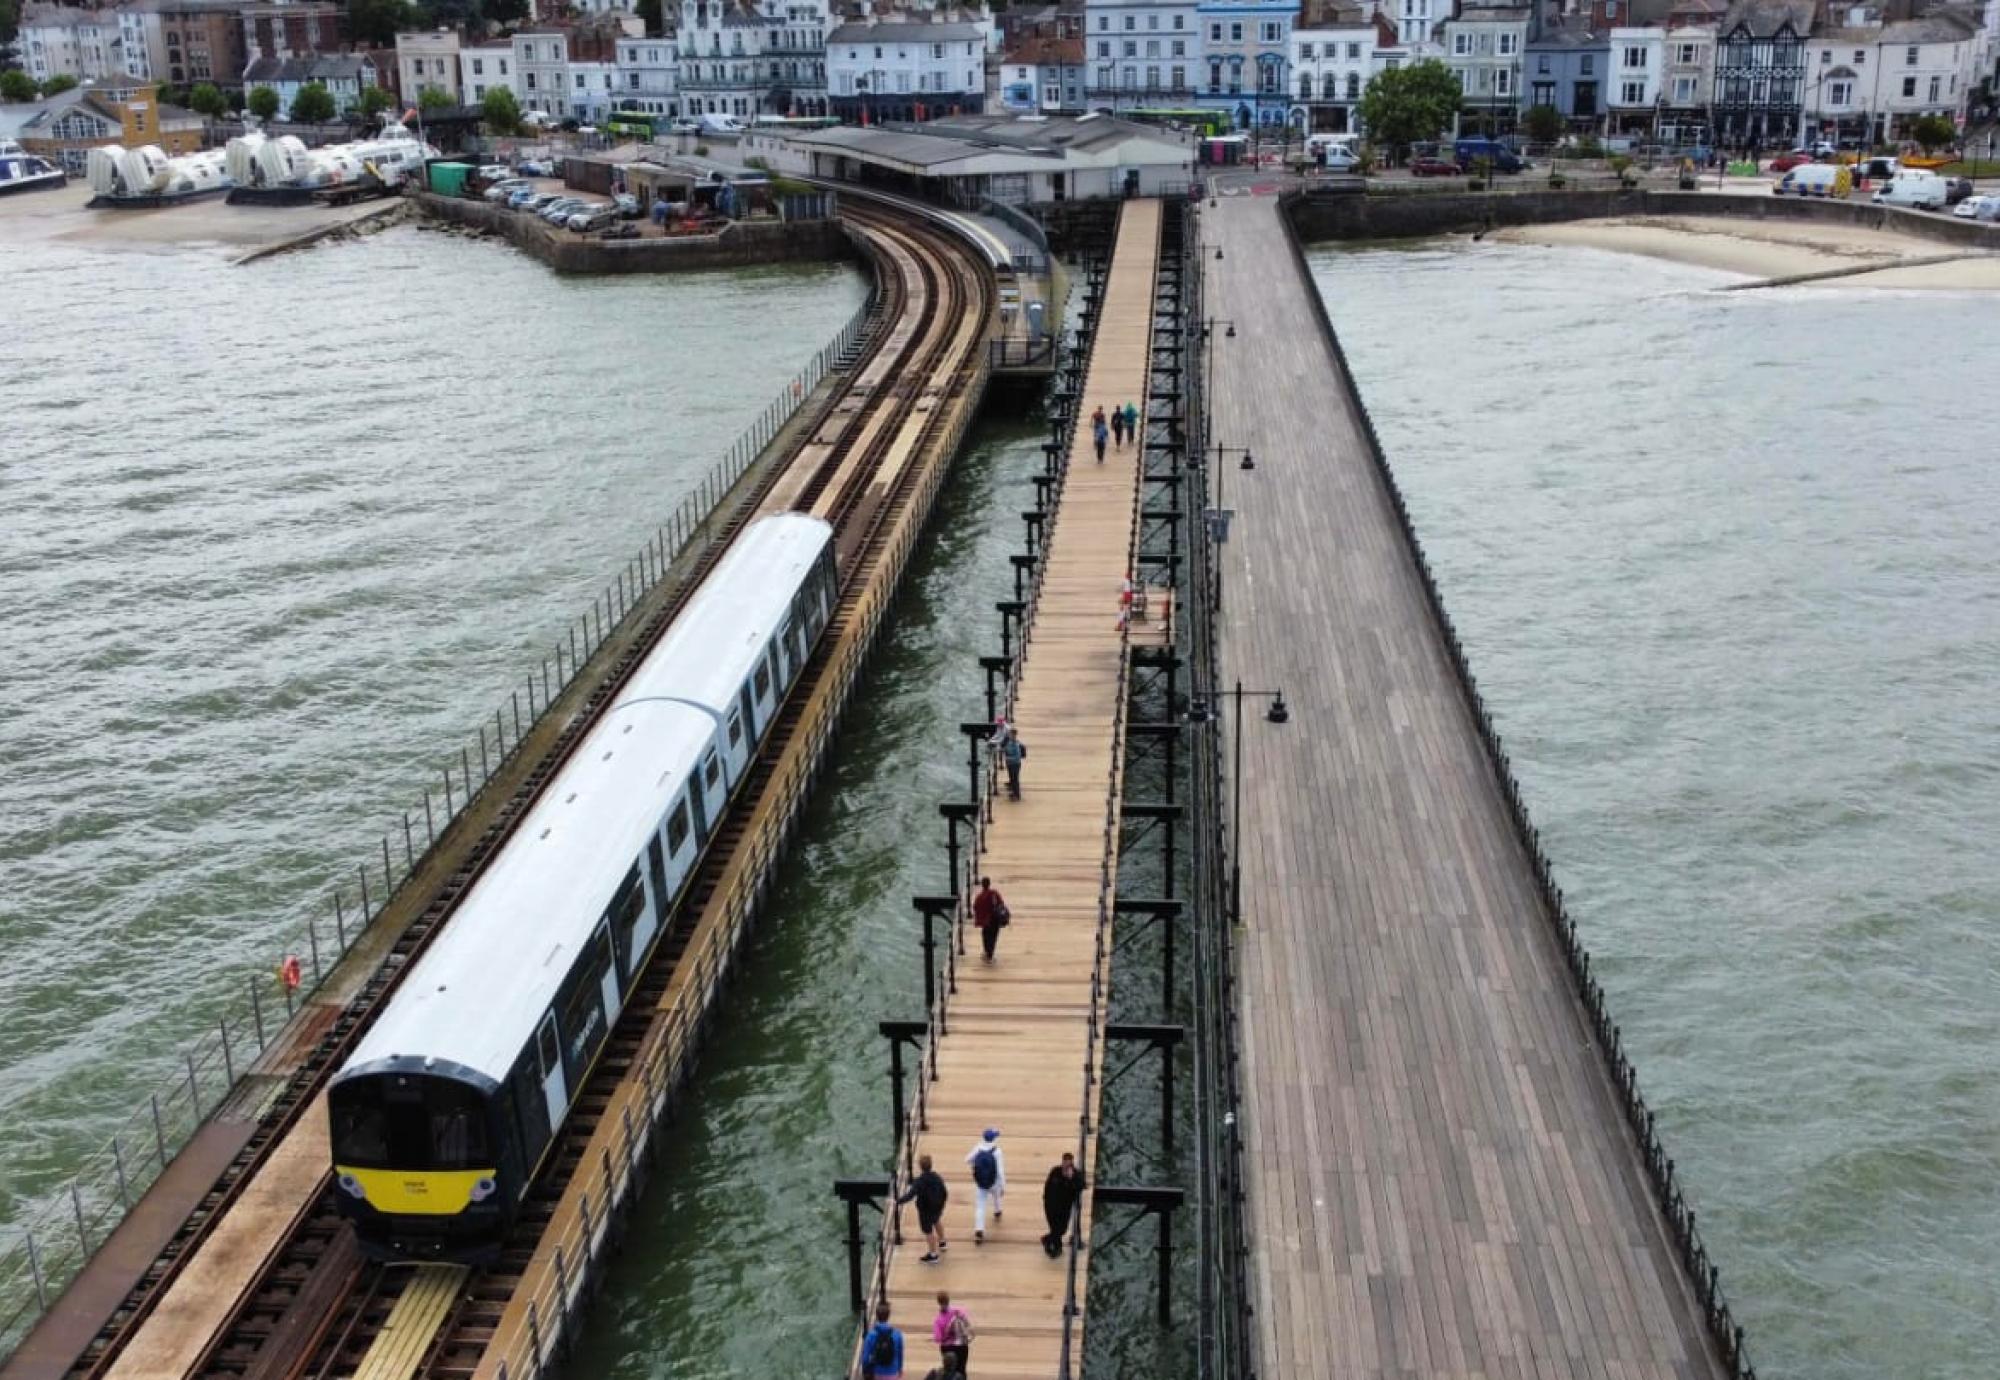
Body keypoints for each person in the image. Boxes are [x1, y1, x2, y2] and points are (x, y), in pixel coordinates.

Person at [897, 1154, 950, 1262]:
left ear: (920, 1166)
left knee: (928, 1231)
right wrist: (942, 1203)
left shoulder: (919, 1181)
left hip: (925, 1209)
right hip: (937, 1206)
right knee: (936, 1221)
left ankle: (933, 1255)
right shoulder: (937, 1177)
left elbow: (910, 1196)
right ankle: (942, 1242)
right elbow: (944, 1192)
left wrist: (897, 1201)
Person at [1040, 1152, 1088, 1257]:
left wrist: (1071, 1179)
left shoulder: (1076, 1174)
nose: (1066, 1166)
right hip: (1051, 1205)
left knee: (1062, 1229)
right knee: (1055, 1227)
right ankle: (1057, 1248)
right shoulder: (1055, 1171)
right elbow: (1047, 1185)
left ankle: (1048, 1239)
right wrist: (1045, 1197)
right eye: (1065, 1163)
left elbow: (1082, 1186)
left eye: (1069, 1164)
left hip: (1065, 1206)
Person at [966, 1127, 1005, 1243]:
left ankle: (979, 1230)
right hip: (994, 1182)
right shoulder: (997, 1151)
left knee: (980, 1206)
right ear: (994, 1139)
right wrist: (1003, 1186)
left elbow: (967, 1159)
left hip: (981, 1183)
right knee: (996, 1196)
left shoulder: (978, 1148)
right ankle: (997, 1210)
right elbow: (1000, 1171)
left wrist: (975, 1164)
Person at [933, 1292, 974, 1375]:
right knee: (961, 1370)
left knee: (950, 1371)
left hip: (947, 1347)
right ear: (948, 1300)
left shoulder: (938, 1319)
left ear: (938, 1302)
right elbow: (968, 1325)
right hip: (962, 1346)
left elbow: (938, 1338)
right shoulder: (958, 1311)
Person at [861, 1302, 904, 1380]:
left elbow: (865, 1358)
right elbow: (900, 1354)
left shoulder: (871, 1335)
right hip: (893, 1371)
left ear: (877, 1316)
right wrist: (899, 1369)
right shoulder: (897, 1334)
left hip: (877, 1372)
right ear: (888, 1316)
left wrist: (865, 1371)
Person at [972, 877, 1008, 962]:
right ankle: (990, 954)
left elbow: (975, 907)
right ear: (989, 884)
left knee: (986, 936)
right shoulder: (994, 893)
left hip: (986, 921)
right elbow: (1001, 903)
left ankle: (987, 953)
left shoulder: (980, 897)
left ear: (982, 885)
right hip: (995, 919)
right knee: (993, 937)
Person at [1001, 732, 1025, 799]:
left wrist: (1007, 758)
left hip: (1015, 763)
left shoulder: (1016, 745)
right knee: (1012, 778)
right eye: (1010, 735)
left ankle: (1017, 795)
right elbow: (1005, 749)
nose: (1010, 736)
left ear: (1014, 736)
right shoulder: (1009, 742)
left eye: (1011, 735)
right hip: (1010, 763)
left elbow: (1017, 756)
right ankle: (1013, 792)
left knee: (1015, 779)